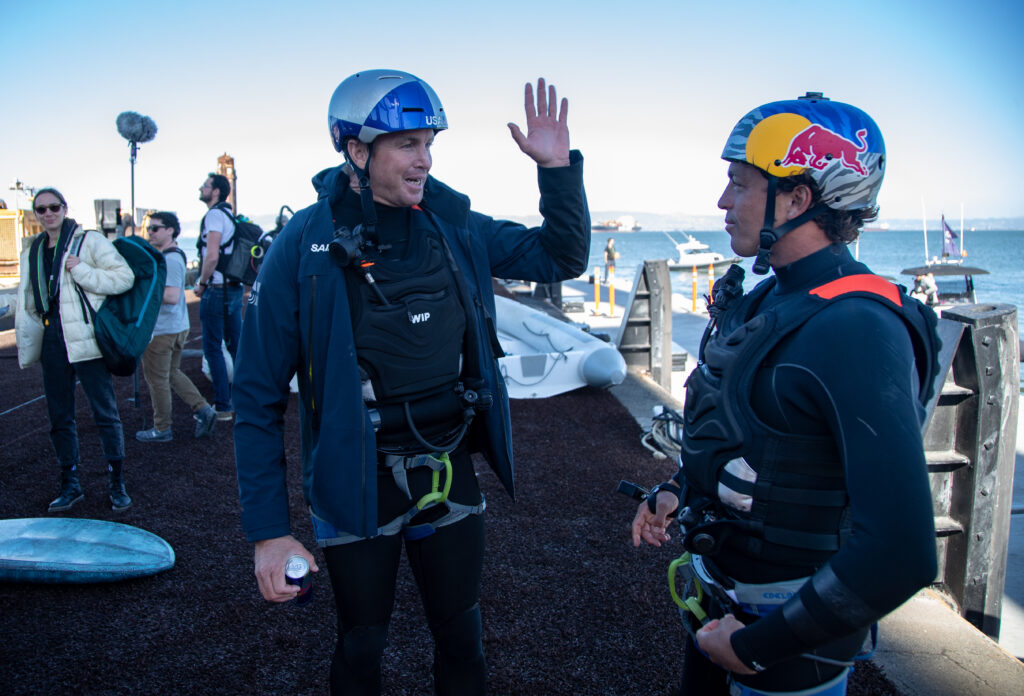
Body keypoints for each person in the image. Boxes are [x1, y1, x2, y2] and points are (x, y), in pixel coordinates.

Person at [233, 70, 589, 694]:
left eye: (429, 143)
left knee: (462, 638)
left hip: (448, 465)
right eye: (407, 145)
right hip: (357, 478)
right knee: (361, 645)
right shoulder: (302, 248)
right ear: (356, 151)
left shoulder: (454, 226)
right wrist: (268, 531)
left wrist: (557, 172)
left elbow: (561, 257)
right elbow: (256, 399)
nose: (424, 160)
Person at [631, 94, 942, 696]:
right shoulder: (767, 301)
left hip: (785, 642)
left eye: (739, 184)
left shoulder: (857, 326)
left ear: (798, 197)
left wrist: (753, 650)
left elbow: (903, 551)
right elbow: (754, 437)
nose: (723, 202)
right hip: (724, 606)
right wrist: (678, 491)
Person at [13, 188, 136, 512]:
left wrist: (80, 269)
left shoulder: (89, 241)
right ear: (36, 214)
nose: (48, 213)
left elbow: (124, 278)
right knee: (59, 415)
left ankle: (116, 481)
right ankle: (70, 483)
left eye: (54, 207)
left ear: (65, 209)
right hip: (52, 337)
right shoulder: (33, 250)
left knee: (104, 412)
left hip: (85, 338)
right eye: (41, 209)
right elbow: (28, 297)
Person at [135, 212, 218, 442]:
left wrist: (140, 290)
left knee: (157, 379)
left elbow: (171, 296)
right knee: (171, 373)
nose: (150, 232)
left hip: (163, 329)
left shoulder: (169, 259)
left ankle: (162, 428)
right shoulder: (175, 255)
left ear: (170, 230)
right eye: (149, 228)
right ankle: (203, 409)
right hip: (176, 325)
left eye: (155, 228)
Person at [194, 172, 241, 421]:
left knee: (213, 349)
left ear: (215, 192)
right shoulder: (229, 215)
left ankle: (223, 406)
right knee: (237, 346)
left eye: (205, 185)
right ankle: (244, 401)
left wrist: (202, 283)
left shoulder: (213, 215)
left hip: (217, 289)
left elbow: (211, 256)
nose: (200, 188)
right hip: (233, 288)